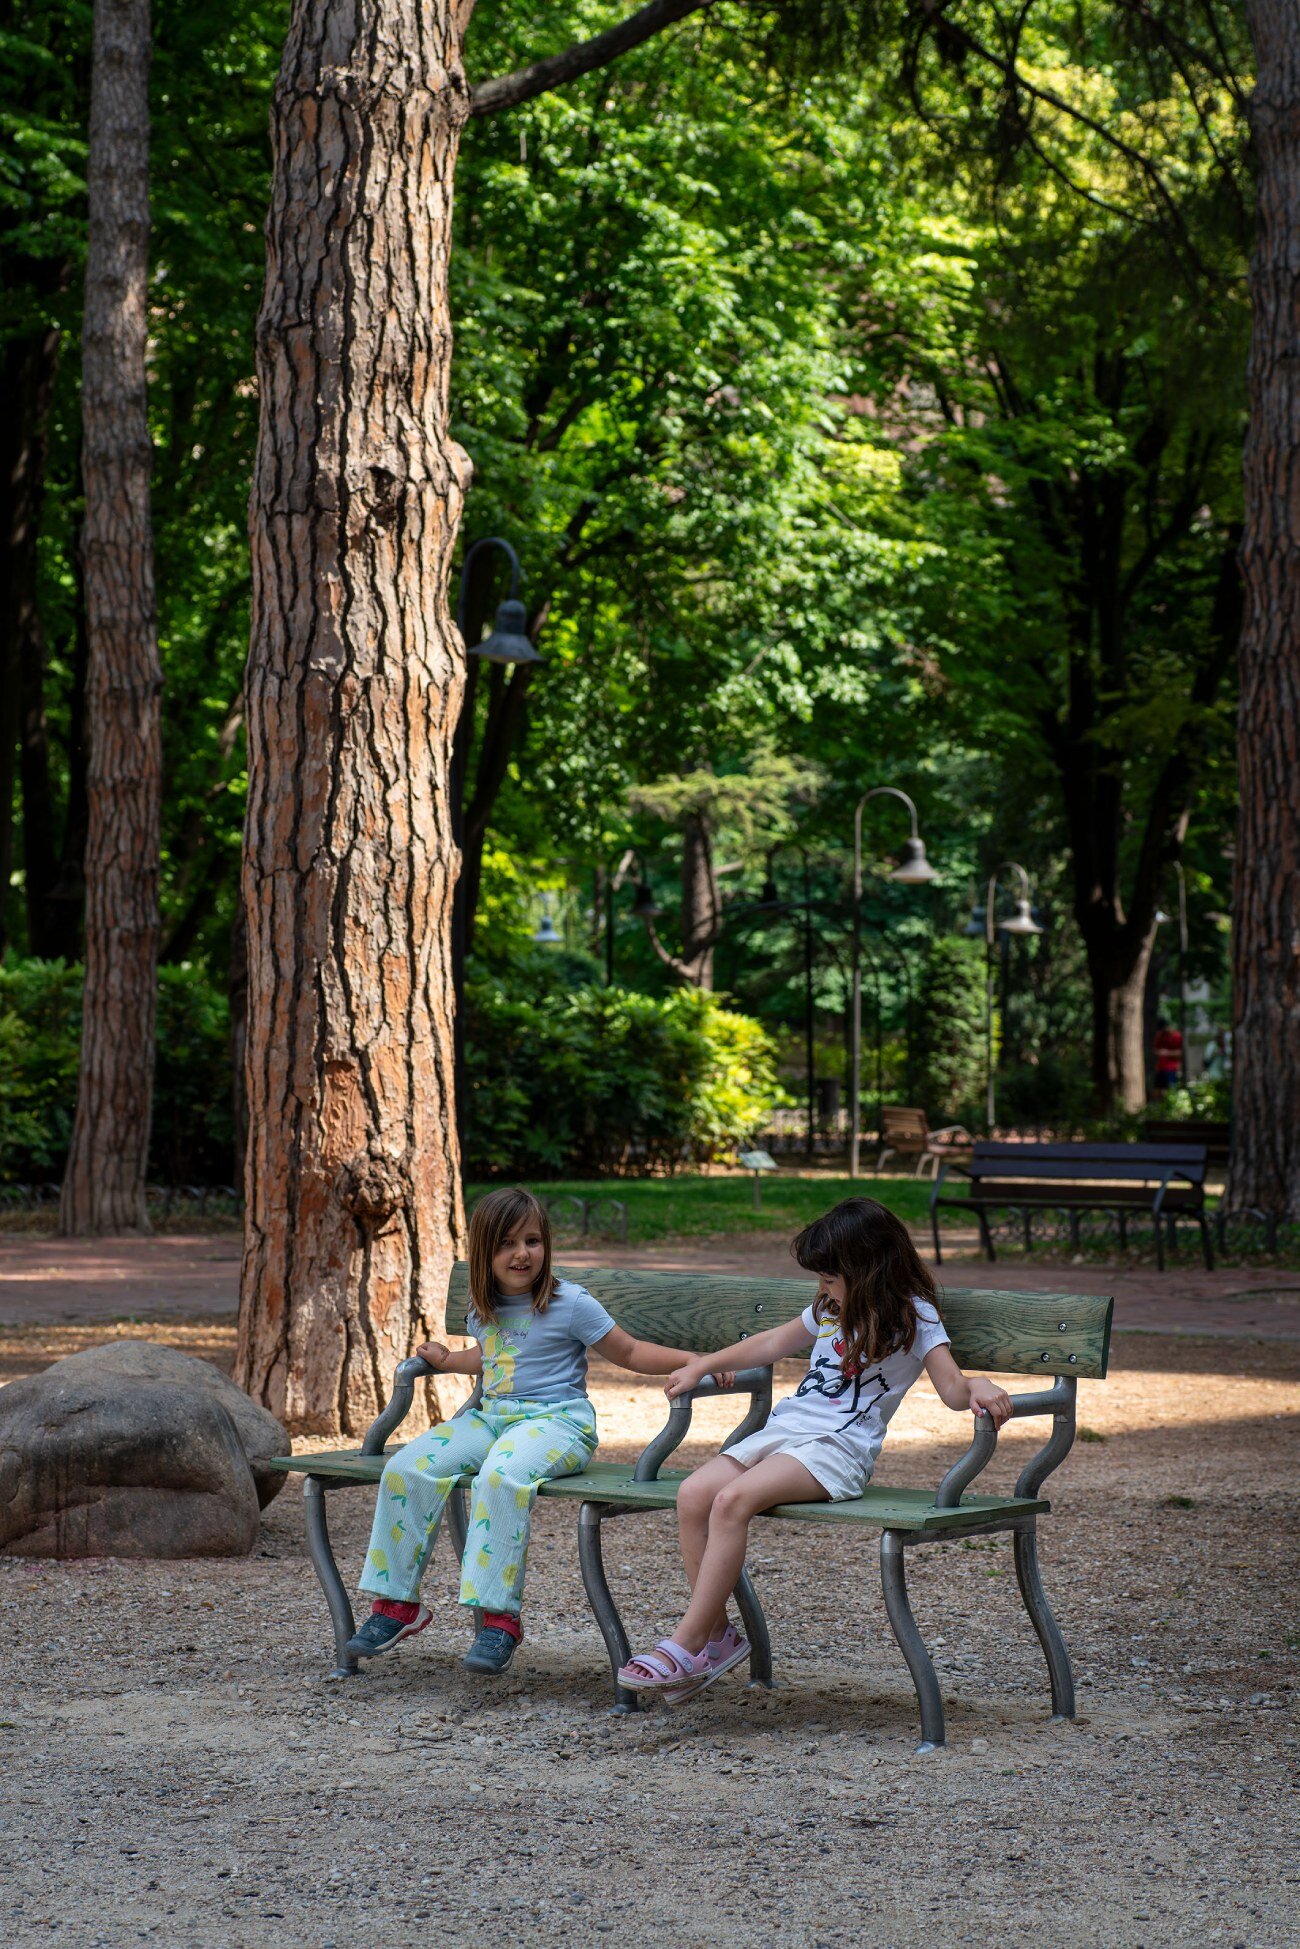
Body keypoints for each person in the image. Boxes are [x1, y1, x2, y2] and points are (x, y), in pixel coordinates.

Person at [618, 1197, 1013, 1707]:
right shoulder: (830, 1309)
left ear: (868, 1269)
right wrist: (702, 1365)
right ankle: (716, 1637)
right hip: (785, 1432)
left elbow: (953, 1390)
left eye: (831, 1277)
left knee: (732, 1501)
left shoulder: (914, 1315)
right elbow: (770, 1344)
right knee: (694, 1493)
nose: (823, 1287)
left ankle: (687, 1641)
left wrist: (979, 1384)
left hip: (837, 1449)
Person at [345, 1186, 730, 1674]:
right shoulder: (483, 1305)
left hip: (557, 1422)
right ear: (485, 1253)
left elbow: (630, 1352)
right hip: (491, 1419)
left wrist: (696, 1360)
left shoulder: (570, 1302)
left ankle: (498, 1619)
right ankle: (397, 1604)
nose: (521, 1254)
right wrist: (448, 1360)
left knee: (500, 1476)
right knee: (407, 1467)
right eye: (506, 1244)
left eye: (532, 1240)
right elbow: (491, 1357)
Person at [1152, 1018, 1183, 1094]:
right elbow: (1155, 1050)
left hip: (1172, 1068)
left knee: (1171, 1089)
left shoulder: (1176, 1036)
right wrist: (1159, 1052)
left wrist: (1167, 1053)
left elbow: (1180, 1053)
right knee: (1158, 1089)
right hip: (1160, 1067)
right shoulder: (1159, 1035)